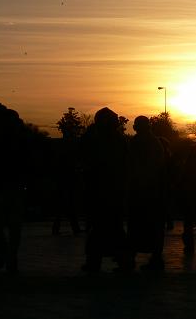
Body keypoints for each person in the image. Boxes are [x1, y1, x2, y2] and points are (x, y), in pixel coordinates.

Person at [80, 107, 128, 272]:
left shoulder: (96, 139)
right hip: (112, 190)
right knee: (112, 227)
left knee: (100, 227)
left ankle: (97, 261)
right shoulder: (119, 140)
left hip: (101, 190)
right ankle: (121, 260)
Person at [0, 110, 28, 273]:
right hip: (5, 188)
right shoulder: (15, 142)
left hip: (8, 188)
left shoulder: (17, 142)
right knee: (8, 227)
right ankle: (7, 254)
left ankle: (7, 254)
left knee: (5, 226)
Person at [125, 116, 167, 270]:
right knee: (149, 226)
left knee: (140, 225)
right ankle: (151, 258)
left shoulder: (140, 143)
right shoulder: (153, 143)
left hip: (144, 190)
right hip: (150, 190)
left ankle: (135, 259)